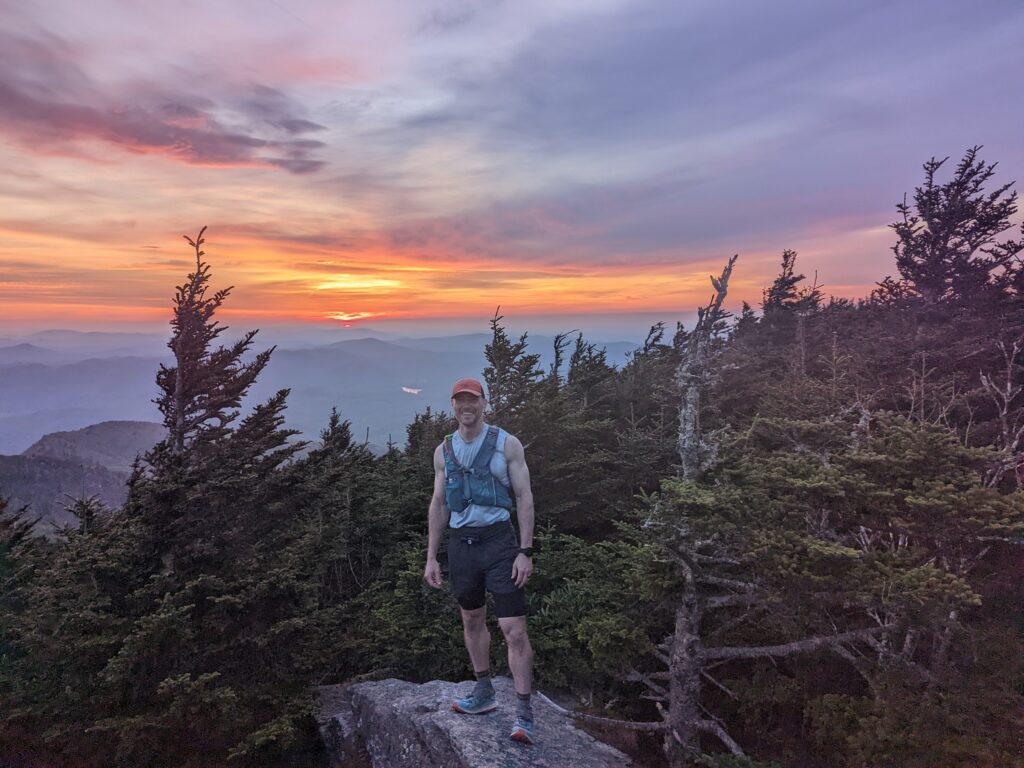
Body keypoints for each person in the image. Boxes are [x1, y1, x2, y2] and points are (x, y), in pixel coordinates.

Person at [423, 377, 537, 745]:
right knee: (471, 617)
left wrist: (525, 550)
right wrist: (432, 557)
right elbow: (439, 504)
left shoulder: (507, 444)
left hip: (499, 544)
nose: (466, 406)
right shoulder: (444, 451)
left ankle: (524, 713)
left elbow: (524, 496)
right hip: (462, 546)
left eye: (473, 399)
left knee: (513, 629)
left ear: (485, 403)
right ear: (453, 405)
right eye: (460, 400)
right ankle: (484, 692)